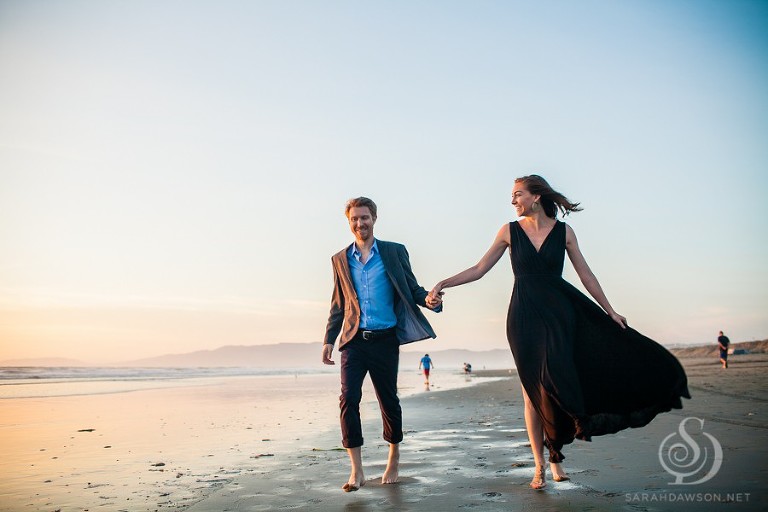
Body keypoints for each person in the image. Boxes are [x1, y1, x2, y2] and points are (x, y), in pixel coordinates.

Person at [428, 175, 690, 490]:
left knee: (555, 380)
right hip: (523, 318)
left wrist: (610, 311)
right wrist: (443, 283)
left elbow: (587, 274)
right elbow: (479, 268)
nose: (512, 200)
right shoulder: (508, 232)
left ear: (536, 197)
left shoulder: (564, 232)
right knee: (531, 392)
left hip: (559, 315)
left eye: (517, 194)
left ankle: (555, 454)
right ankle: (541, 465)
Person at [322, 197, 443, 492]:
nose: (360, 223)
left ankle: (393, 456)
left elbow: (411, 288)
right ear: (348, 222)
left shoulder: (393, 251)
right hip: (353, 340)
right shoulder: (340, 259)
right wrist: (329, 339)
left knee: (388, 400)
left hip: (385, 340)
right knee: (348, 399)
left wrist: (430, 300)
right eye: (354, 219)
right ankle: (357, 470)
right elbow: (339, 302)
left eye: (364, 217)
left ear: (374, 218)